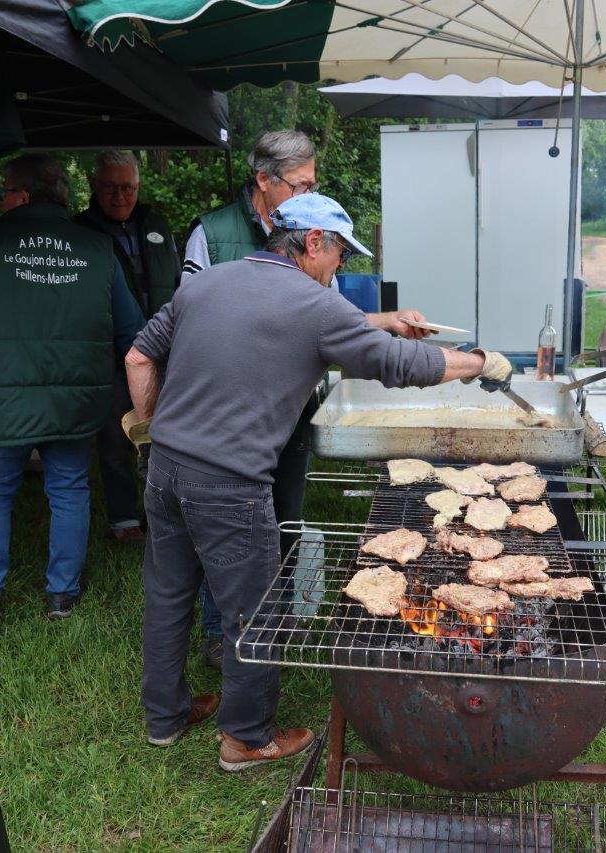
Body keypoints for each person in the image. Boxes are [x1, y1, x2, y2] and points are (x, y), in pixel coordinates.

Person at [125, 192, 511, 766]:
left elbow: (138, 358)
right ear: (312, 243)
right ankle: (247, 738)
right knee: (252, 611)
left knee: (168, 592)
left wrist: (157, 426)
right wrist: (479, 362)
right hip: (230, 484)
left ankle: (165, 716)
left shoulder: (205, 283)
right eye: (339, 256)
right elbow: (400, 365)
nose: (339, 268)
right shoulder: (312, 302)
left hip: (165, 469)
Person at [180, 129, 412, 670]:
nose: (310, 192)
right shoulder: (212, 236)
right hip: (231, 418)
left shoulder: (311, 235)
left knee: (281, 516)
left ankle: (274, 619)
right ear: (265, 180)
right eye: (301, 183)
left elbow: (326, 322)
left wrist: (386, 323)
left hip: (291, 409)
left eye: (313, 183)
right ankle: (223, 632)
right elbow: (184, 322)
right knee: (228, 531)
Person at [0, 153, 144, 623]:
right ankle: (61, 595)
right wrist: (144, 391)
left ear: (22, 195)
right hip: (76, 396)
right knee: (69, 488)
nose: (1, 199)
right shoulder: (98, 247)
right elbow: (132, 331)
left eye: (4, 191)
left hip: (0, 395)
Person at [74, 150, 181, 544]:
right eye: (110, 187)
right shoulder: (81, 231)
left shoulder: (156, 224)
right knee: (117, 436)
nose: (120, 196)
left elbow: (175, 280)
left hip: (164, 347)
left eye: (128, 187)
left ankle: (167, 508)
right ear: (94, 187)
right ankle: (124, 518)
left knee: (167, 431)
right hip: (109, 353)